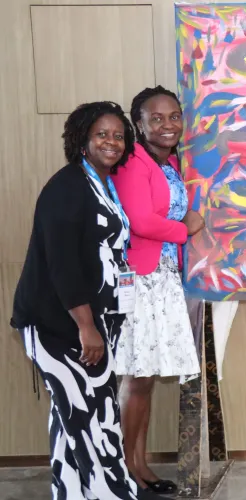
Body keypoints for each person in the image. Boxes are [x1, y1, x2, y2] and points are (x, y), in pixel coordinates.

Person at [10, 101, 167, 500]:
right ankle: (114, 493)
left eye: (118, 135)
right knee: (94, 417)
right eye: (102, 134)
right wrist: (86, 326)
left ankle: (74, 493)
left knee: (71, 420)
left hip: (89, 326)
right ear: (82, 139)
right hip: (62, 328)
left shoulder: (98, 183)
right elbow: (61, 264)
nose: (111, 141)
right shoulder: (67, 187)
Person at [112, 86, 204, 495]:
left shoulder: (169, 162)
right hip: (139, 278)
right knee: (135, 378)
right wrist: (187, 229)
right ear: (139, 124)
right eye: (156, 118)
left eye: (174, 117)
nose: (168, 125)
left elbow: (163, 210)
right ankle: (125, 470)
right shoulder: (134, 161)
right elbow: (141, 222)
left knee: (144, 379)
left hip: (163, 278)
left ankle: (140, 466)